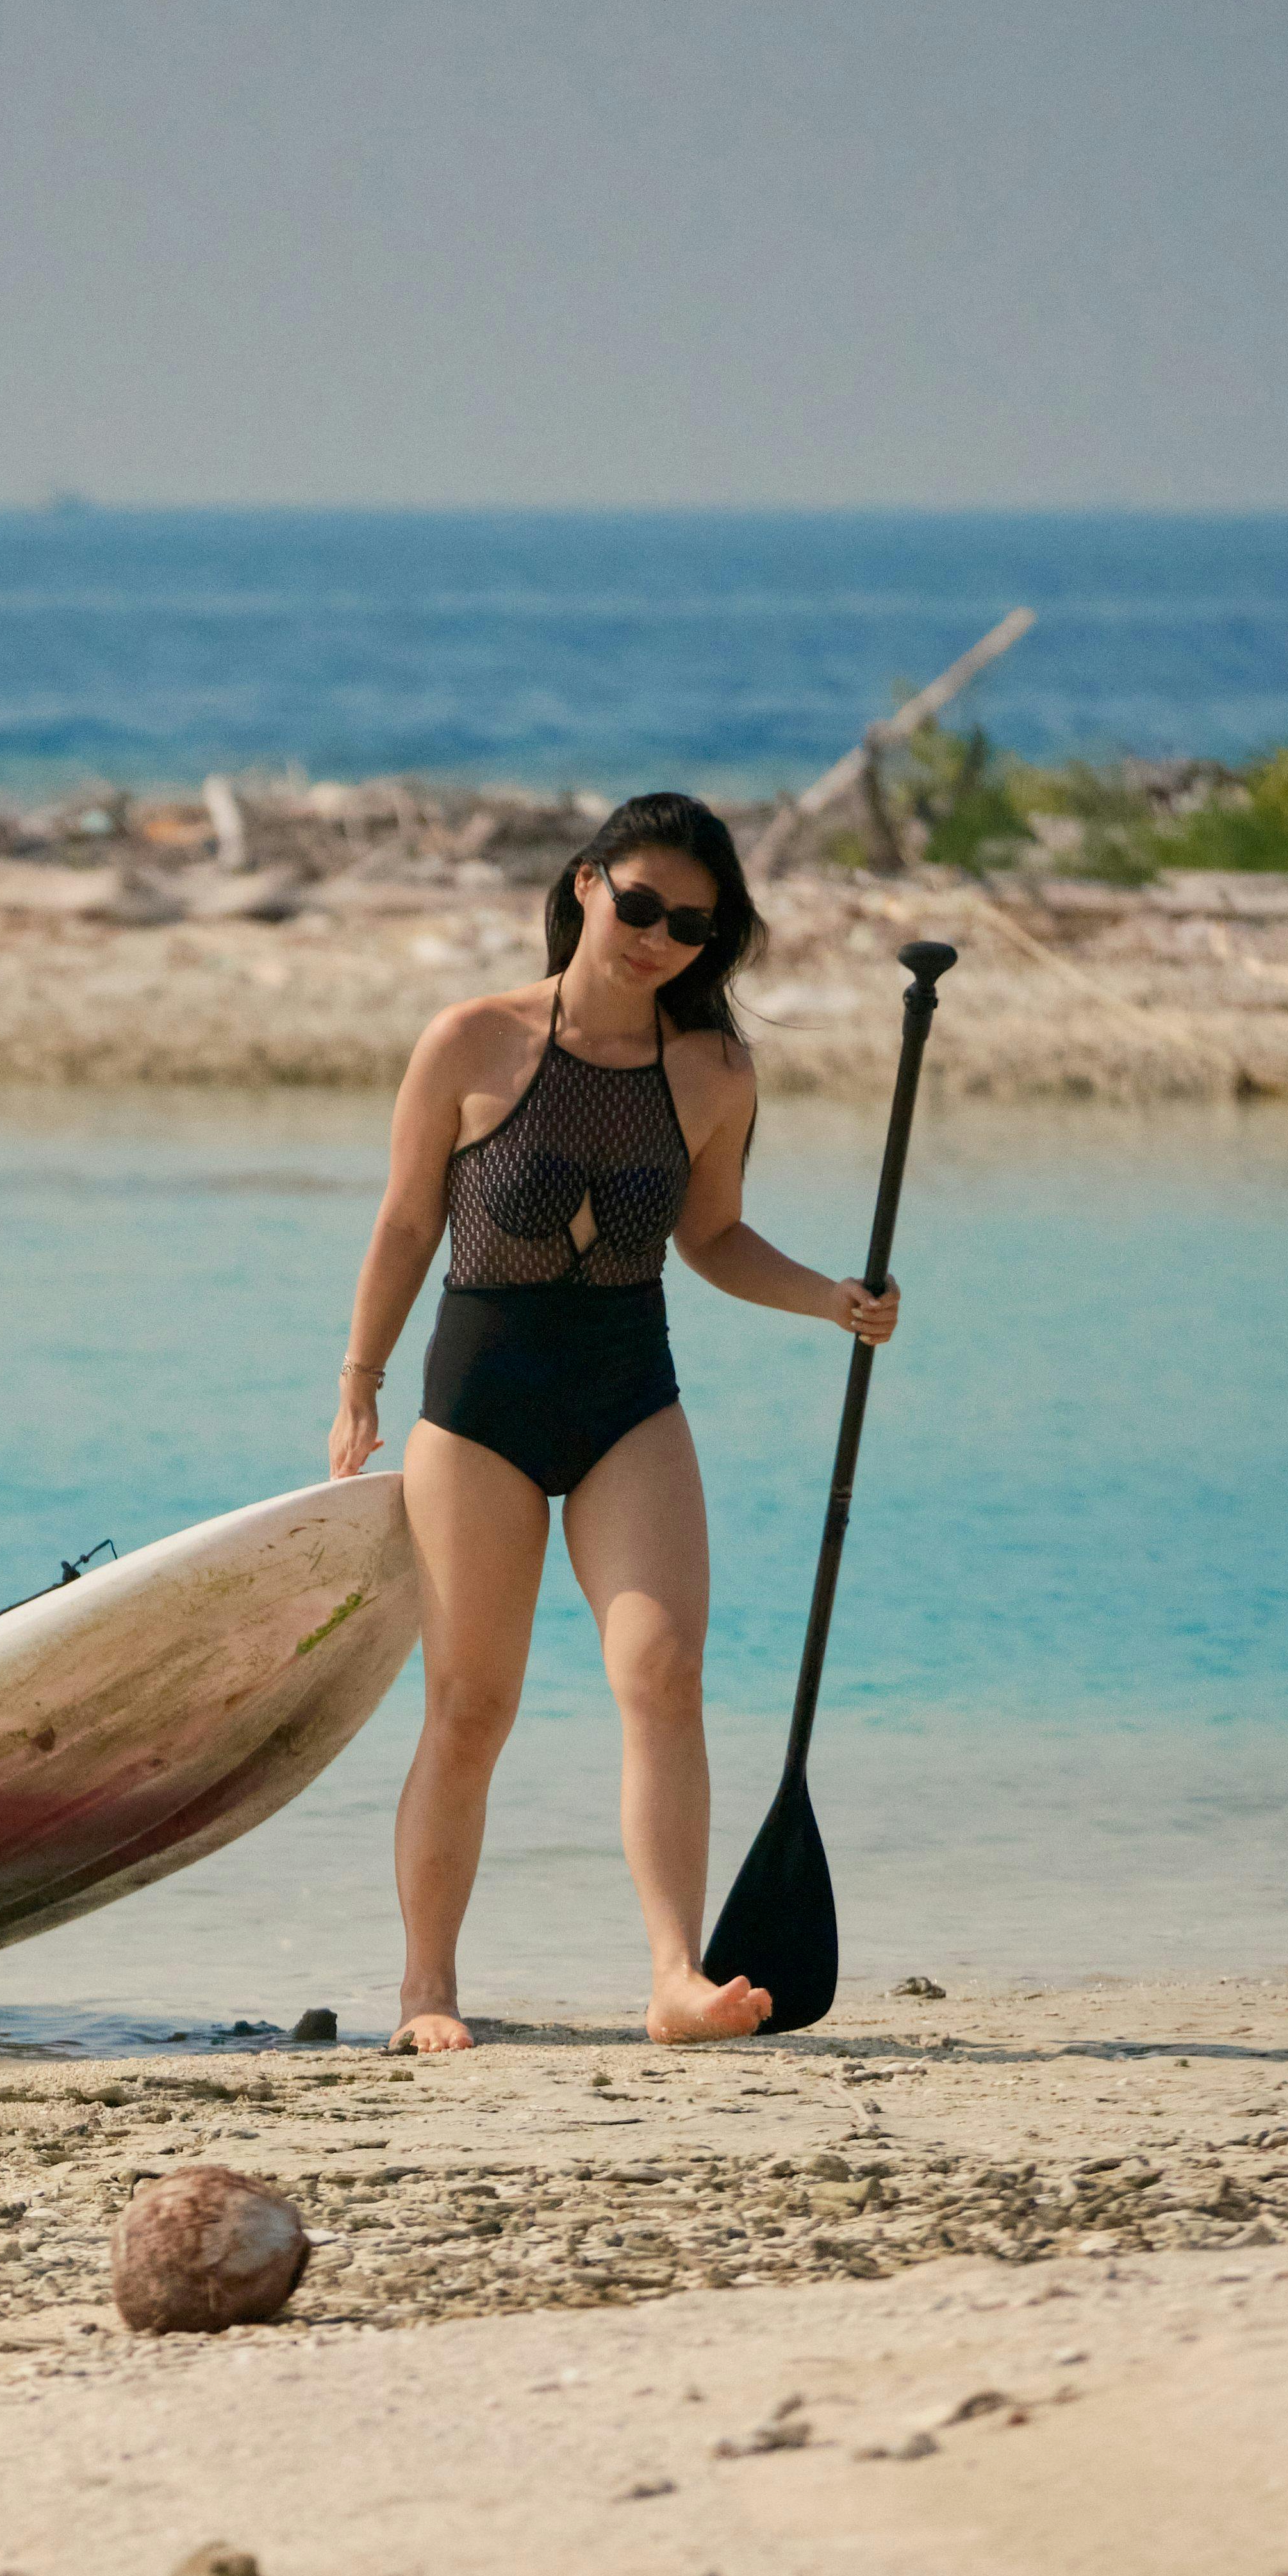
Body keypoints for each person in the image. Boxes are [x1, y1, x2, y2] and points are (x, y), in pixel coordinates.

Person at [327, 790, 901, 2051]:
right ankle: (426, 1988)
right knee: (471, 1704)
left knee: (663, 1674)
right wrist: (359, 1378)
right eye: (638, 905)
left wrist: (830, 1301)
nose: (656, 937)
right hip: (476, 1405)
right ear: (585, 885)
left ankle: (674, 1980)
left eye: (689, 926)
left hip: (626, 1395)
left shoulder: (711, 1073)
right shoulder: (471, 1041)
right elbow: (408, 1222)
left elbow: (710, 1237)